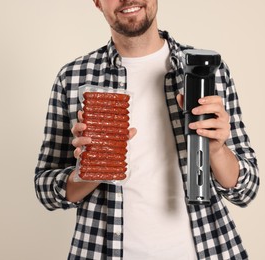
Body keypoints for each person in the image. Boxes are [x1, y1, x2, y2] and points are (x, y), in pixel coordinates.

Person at [34, 0, 259, 259]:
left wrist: (217, 151)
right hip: (103, 251)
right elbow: (45, 188)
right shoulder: (74, 77)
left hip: (206, 250)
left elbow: (246, 189)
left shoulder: (208, 72)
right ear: (97, 2)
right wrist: (94, 168)